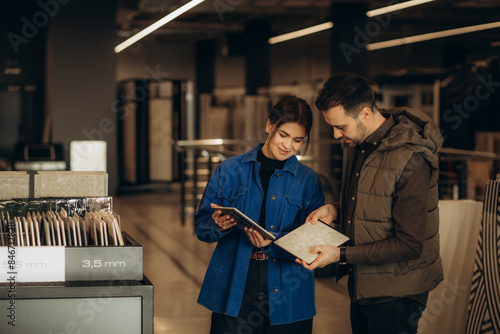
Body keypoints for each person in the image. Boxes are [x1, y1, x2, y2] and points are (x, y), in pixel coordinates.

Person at [297, 73, 444, 334]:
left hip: (397, 295)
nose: (335, 134)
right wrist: (336, 210)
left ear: (365, 114)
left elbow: (409, 244)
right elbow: (374, 207)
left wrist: (339, 255)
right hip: (364, 286)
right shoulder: (361, 145)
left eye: (341, 126)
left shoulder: (411, 159)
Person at [195, 95, 325, 334]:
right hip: (235, 287)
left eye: (298, 140)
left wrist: (272, 243)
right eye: (283, 135)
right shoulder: (229, 171)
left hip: (289, 292)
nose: (288, 146)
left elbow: (314, 242)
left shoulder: (308, 181)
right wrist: (218, 226)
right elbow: (201, 226)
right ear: (268, 126)